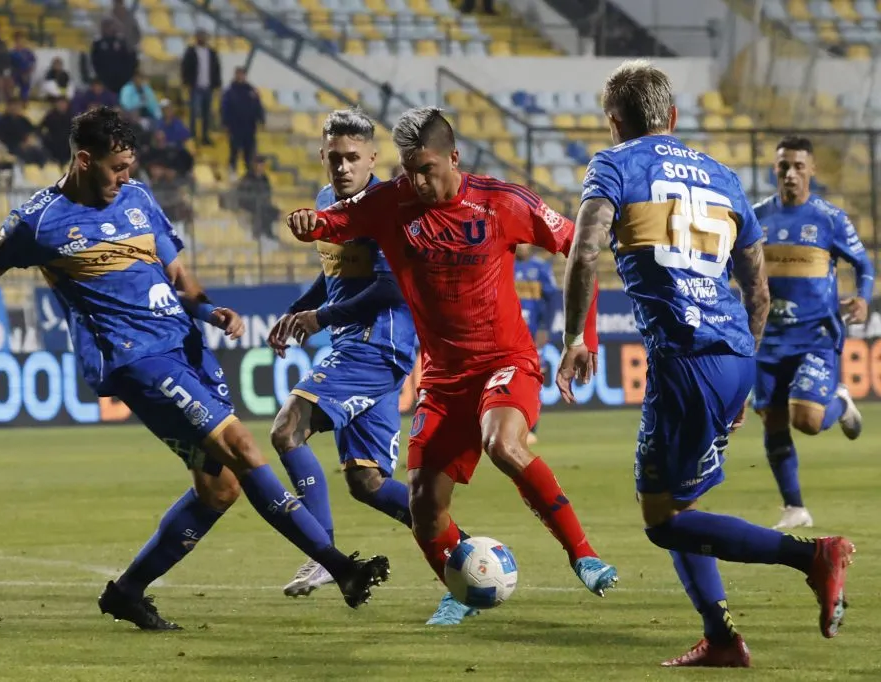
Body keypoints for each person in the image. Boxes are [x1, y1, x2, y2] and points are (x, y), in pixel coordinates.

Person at [0, 106, 390, 631]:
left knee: (221, 487)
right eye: (117, 168)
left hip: (184, 348)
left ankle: (127, 592)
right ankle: (341, 567)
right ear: (85, 160)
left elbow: (175, 270)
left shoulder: (136, 198)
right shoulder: (38, 221)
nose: (126, 177)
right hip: (134, 358)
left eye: (130, 166)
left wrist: (207, 310)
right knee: (245, 449)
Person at [558, 59, 853, 668]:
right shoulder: (723, 176)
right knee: (678, 505)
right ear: (671, 116)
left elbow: (585, 253)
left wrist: (573, 339)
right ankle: (720, 638)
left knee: (663, 519)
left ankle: (813, 556)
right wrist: (740, 370)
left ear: (614, 122)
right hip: (733, 357)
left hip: (684, 361)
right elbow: (759, 291)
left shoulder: (614, 164)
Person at [287, 106, 618, 626]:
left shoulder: (501, 202)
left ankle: (583, 553)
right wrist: (307, 224)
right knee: (423, 506)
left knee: (503, 443)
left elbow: (580, 250)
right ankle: (459, 590)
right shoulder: (390, 202)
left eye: (427, 169)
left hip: (505, 361)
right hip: (442, 377)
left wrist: (581, 336)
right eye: (408, 169)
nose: (417, 181)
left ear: (454, 158)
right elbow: (333, 222)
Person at [266, 109, 460, 620]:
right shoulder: (328, 202)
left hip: (379, 343)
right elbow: (333, 274)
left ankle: (322, 552)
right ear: (323, 158)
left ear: (374, 158)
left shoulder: (389, 208)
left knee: (288, 431)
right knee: (367, 482)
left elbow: (390, 286)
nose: (343, 167)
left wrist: (320, 317)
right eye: (335, 158)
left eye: (354, 157)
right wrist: (296, 312)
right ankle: (466, 554)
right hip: (356, 342)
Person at [752, 135, 871, 530]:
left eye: (798, 166)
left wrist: (863, 297)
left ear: (811, 170)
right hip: (768, 338)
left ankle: (839, 402)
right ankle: (795, 508)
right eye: (783, 165)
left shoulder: (829, 218)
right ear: (775, 168)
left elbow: (863, 263)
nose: (790, 173)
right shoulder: (757, 217)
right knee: (772, 419)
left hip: (815, 335)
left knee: (807, 420)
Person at [513, 244, 558, 446]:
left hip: (532, 335)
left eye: (525, 242)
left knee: (532, 380)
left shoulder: (540, 268)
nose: (522, 246)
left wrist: (545, 328)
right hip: (509, 334)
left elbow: (551, 301)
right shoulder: (505, 264)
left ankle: (531, 428)